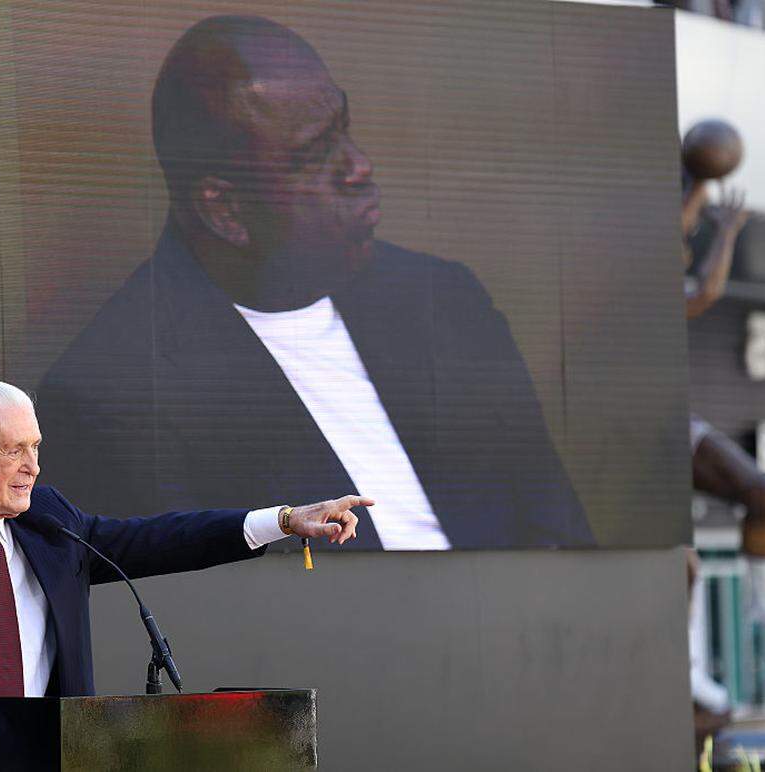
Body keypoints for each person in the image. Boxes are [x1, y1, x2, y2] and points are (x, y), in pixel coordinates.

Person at [36, 15, 593, 550]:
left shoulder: (444, 299)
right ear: (225, 209)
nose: (358, 167)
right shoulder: (114, 399)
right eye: (315, 153)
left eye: (344, 130)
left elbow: (562, 538)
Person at [0, 381, 368, 769]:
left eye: (35, 447)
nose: (33, 466)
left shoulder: (50, 520)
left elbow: (162, 539)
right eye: (14, 450)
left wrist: (284, 520)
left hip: (55, 757)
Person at [680, 138, 765, 722]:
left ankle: (762, 596)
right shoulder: (631, 280)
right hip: (620, 431)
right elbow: (705, 289)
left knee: (763, 491)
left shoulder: (667, 281)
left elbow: (708, 289)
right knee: (683, 567)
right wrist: (699, 187)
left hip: (669, 422)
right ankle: (690, 673)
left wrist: (719, 224)